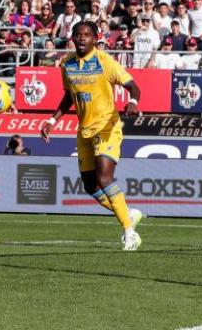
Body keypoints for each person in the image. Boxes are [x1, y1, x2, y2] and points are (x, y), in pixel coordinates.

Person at [40, 21, 144, 251]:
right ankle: (128, 214)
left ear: (95, 38)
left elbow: (133, 86)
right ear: (72, 38)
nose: (82, 38)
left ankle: (129, 232)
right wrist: (51, 120)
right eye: (78, 35)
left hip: (107, 127)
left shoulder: (104, 61)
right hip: (83, 129)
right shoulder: (67, 65)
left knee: (104, 178)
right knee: (90, 186)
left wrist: (133, 102)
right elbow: (69, 96)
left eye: (87, 35)